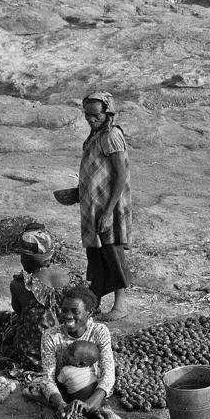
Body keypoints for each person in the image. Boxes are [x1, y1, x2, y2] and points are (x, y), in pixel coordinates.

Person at [39, 288, 155, 419]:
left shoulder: (99, 331)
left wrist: (89, 404)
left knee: (103, 416)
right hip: (64, 399)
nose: (67, 315)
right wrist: (60, 403)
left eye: (75, 311)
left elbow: (108, 375)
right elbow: (48, 378)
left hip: (93, 394)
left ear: (89, 313)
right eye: (64, 310)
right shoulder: (51, 336)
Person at [0, 226, 77, 372]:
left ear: (25, 258)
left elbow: (20, 315)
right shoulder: (70, 279)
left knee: (6, 325)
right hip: (70, 352)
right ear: (51, 254)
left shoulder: (19, 285)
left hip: (36, 359)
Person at [76, 91, 133, 321]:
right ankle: (94, 302)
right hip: (93, 206)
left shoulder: (111, 136)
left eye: (96, 116)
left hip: (109, 207)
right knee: (96, 256)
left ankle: (120, 306)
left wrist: (109, 212)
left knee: (113, 253)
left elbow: (121, 175)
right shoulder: (96, 135)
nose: (91, 120)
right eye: (87, 115)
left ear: (107, 113)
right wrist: (76, 193)